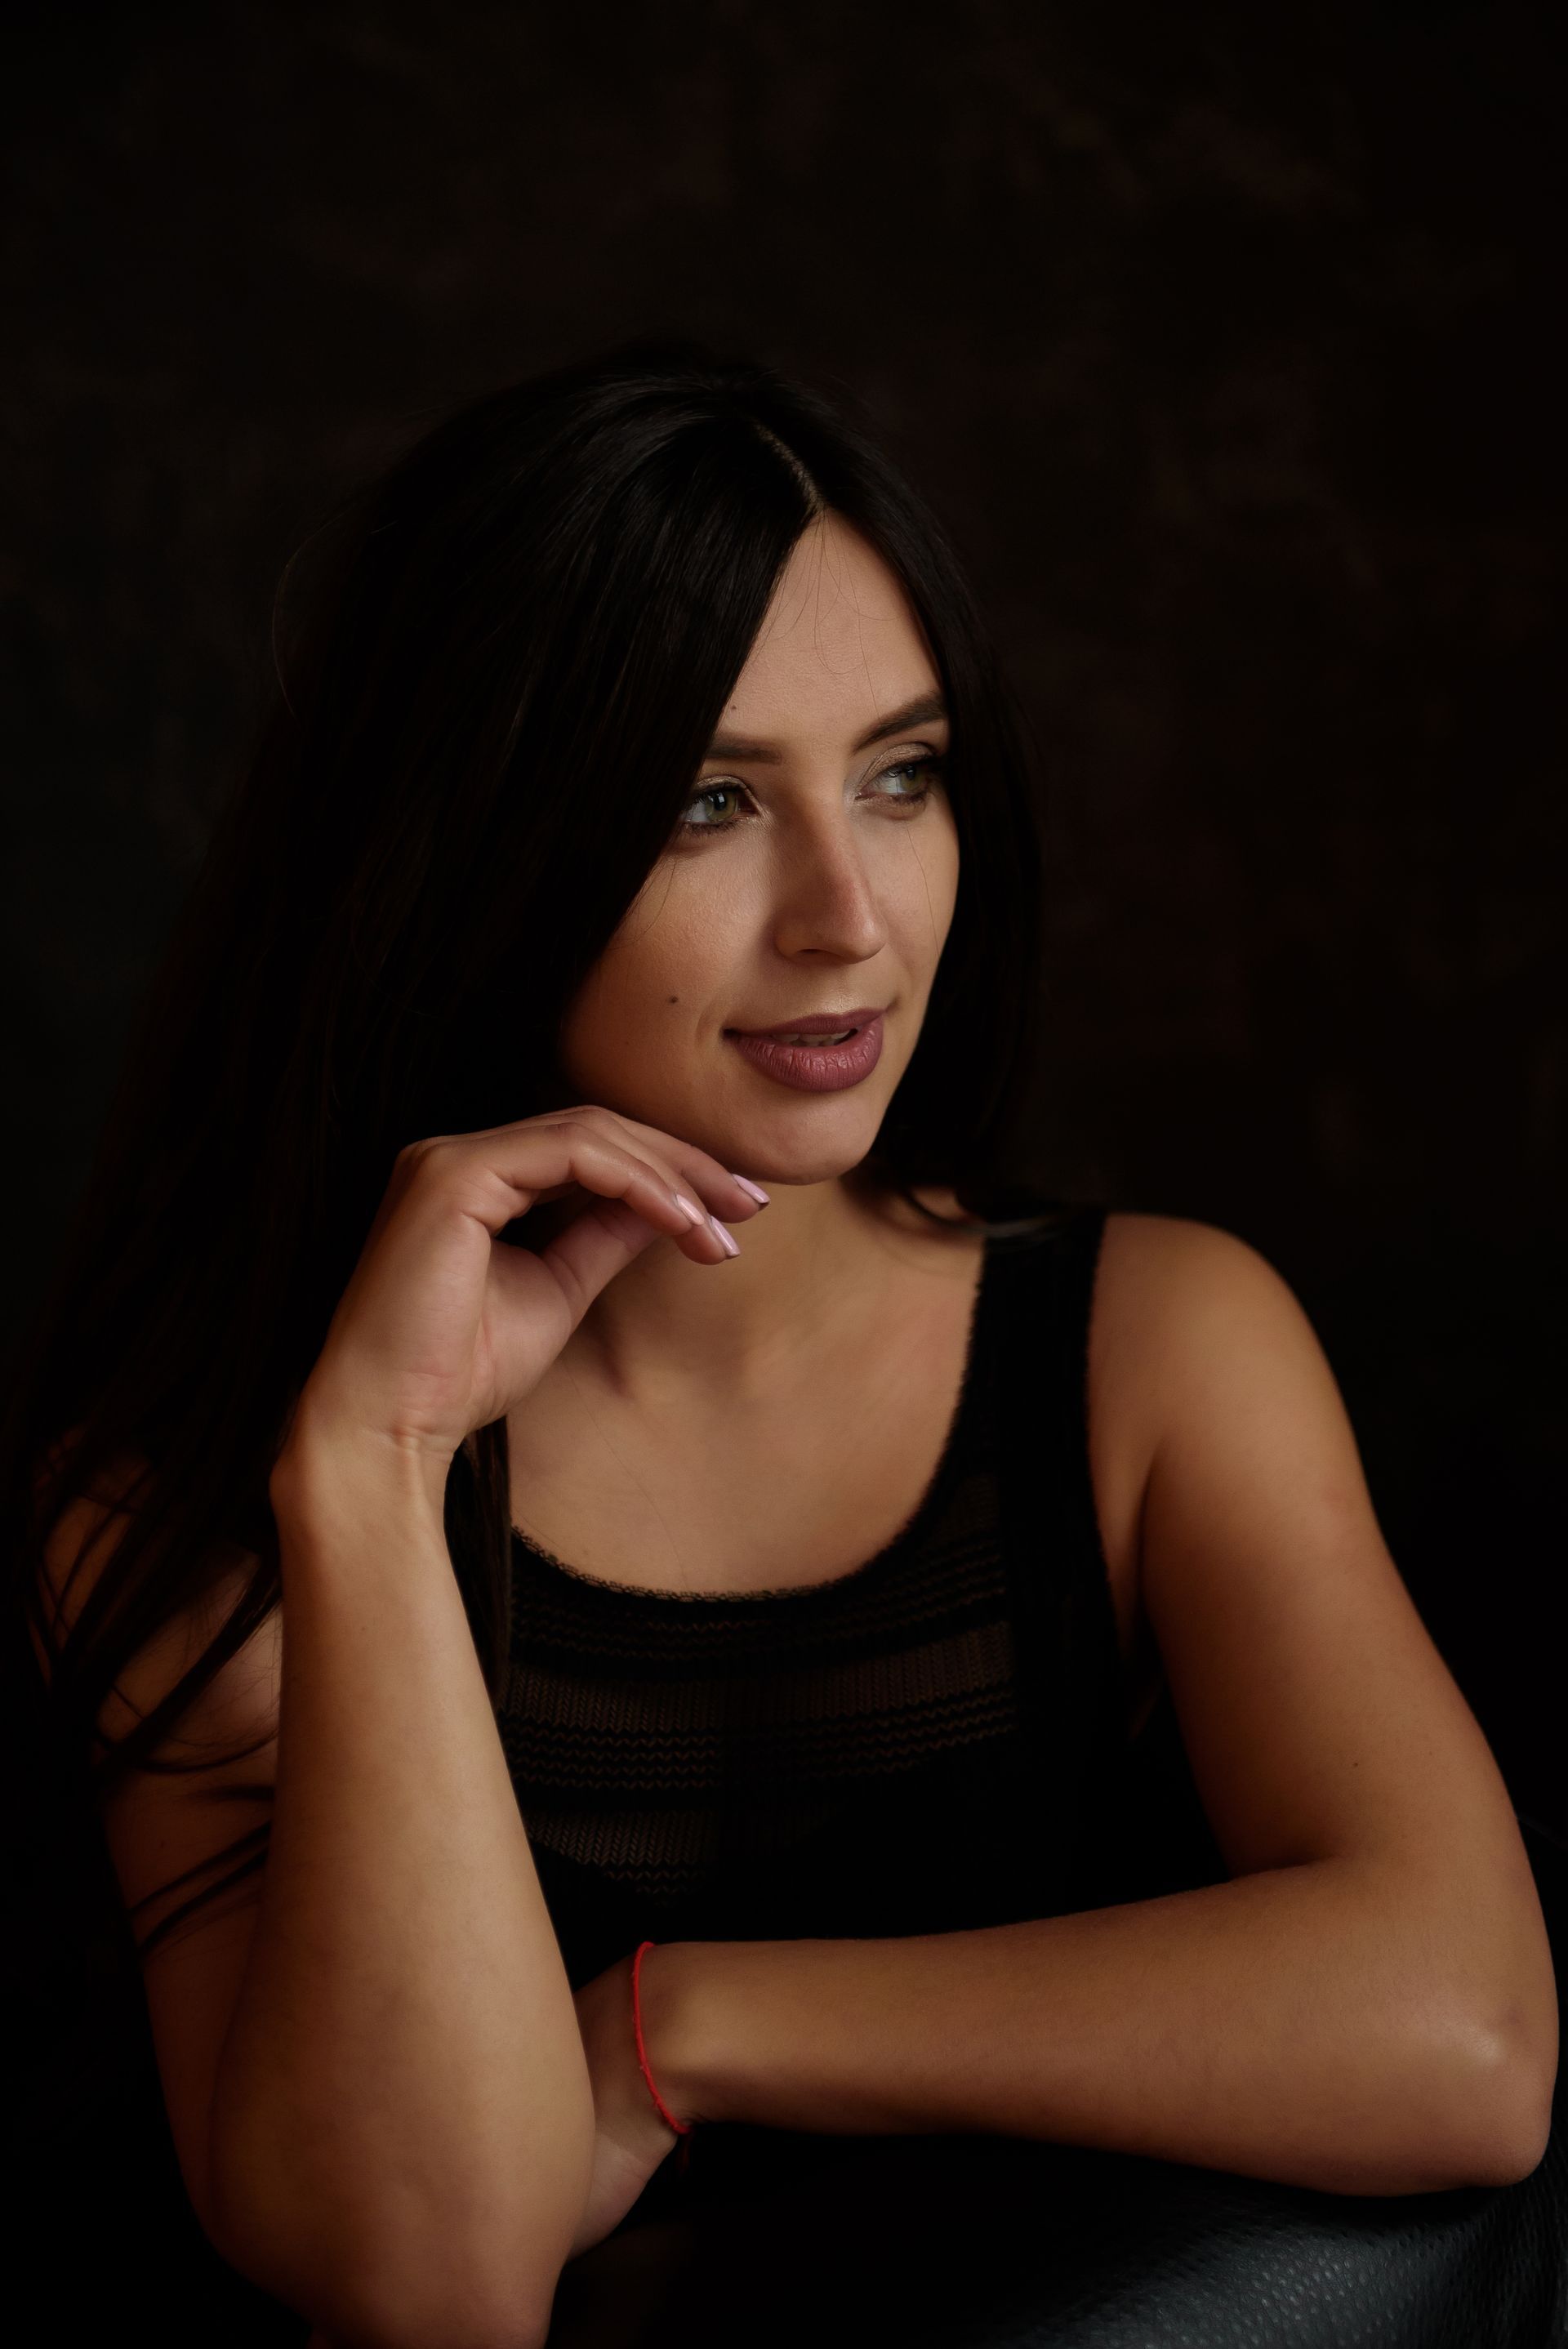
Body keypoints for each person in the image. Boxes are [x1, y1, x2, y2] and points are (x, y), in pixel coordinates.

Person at [5, 343, 1557, 2349]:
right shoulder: (199, 1487)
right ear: (478, 848)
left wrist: (679, 2024)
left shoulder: (1154, 1346)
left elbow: (1465, 2032)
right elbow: (432, 2281)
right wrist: (373, 1474)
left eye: (901, 776)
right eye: (709, 801)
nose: (850, 916)